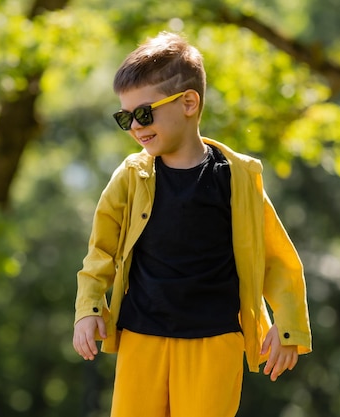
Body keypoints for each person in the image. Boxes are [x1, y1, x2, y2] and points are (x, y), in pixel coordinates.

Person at [72, 31, 312, 417]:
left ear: (188, 102)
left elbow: (276, 257)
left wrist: (289, 329)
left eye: (144, 113)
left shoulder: (236, 179)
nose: (135, 126)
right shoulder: (131, 177)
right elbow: (100, 250)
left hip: (215, 341)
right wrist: (88, 308)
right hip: (141, 337)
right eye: (125, 117)